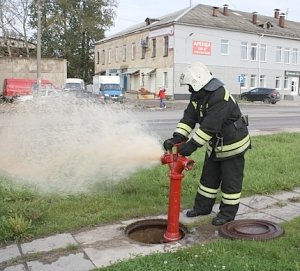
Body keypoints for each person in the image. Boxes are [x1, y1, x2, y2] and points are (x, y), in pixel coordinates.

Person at [163, 62, 251, 226]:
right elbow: (189, 119)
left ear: (198, 82)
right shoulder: (198, 96)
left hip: (233, 145)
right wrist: (176, 138)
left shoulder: (220, 96)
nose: (189, 89)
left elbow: (209, 127)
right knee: (208, 179)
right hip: (216, 144)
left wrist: (190, 146)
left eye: (190, 85)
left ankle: (227, 214)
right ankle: (202, 208)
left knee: (230, 182)